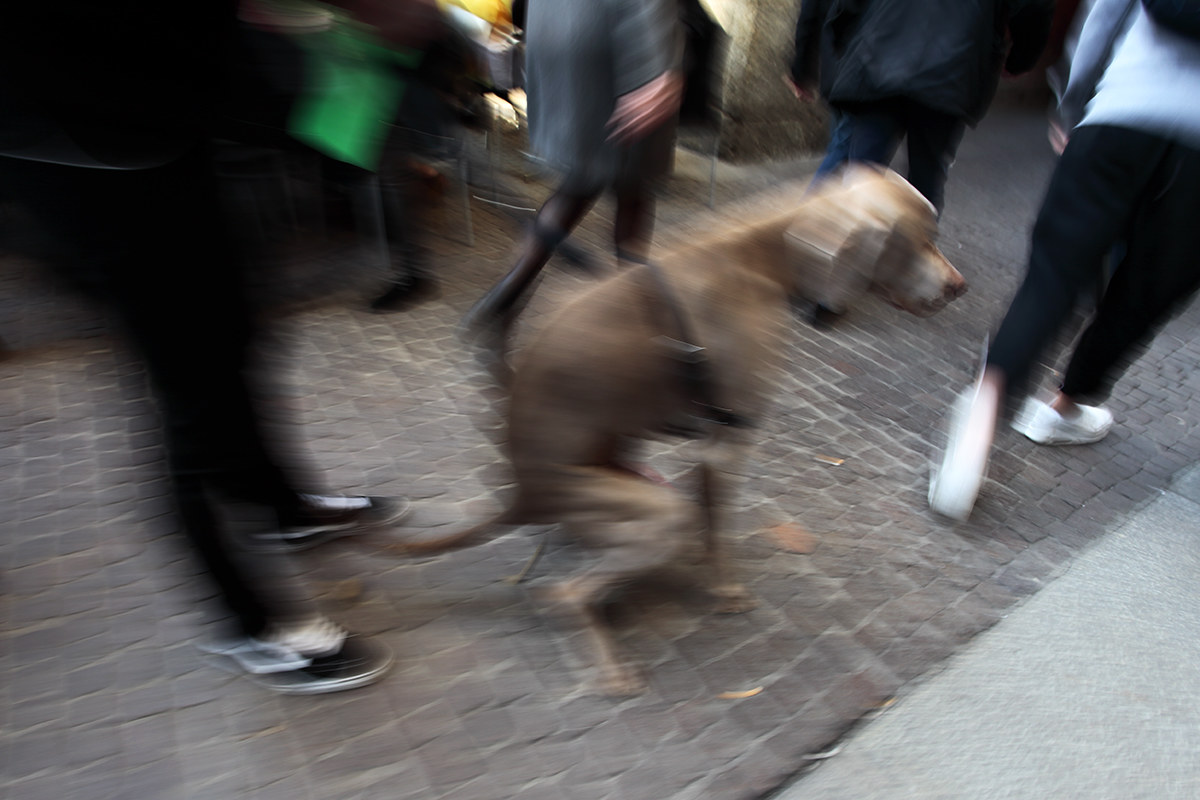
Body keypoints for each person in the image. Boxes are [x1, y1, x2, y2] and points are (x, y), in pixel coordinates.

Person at [0, 0, 439, 692]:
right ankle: (251, 625)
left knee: (237, 326)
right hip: (85, 146)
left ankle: (277, 505)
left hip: (162, 118)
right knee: (190, 377)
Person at [929, 0, 1200, 521]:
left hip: (1124, 116)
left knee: (1054, 274)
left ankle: (986, 407)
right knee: (1148, 290)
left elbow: (1104, 15)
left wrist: (1074, 104)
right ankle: (1067, 406)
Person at [460, 0, 683, 356]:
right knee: (630, 190)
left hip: (568, 40)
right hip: (618, 56)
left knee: (586, 184)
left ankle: (504, 301)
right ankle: (641, 327)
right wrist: (654, 69)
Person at [819, 0, 1054, 214]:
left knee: (860, 172)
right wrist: (1019, 60)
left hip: (881, 53)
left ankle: (816, 241)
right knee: (924, 184)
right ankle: (908, 255)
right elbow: (1035, 9)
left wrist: (845, 39)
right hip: (954, 69)